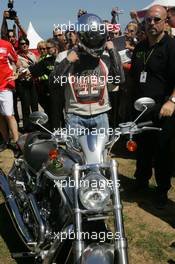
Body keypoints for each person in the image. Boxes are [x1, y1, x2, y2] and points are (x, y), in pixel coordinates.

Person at [50, 13, 125, 142]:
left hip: (101, 113)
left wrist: (113, 51)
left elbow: (119, 79)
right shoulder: (64, 56)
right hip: (75, 115)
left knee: (100, 157)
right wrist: (68, 60)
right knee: (75, 156)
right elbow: (53, 83)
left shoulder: (106, 57)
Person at [129, 5, 175, 208]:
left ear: (166, 22)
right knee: (143, 149)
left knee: (163, 151)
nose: (152, 24)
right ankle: (141, 181)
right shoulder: (140, 47)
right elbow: (134, 76)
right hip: (140, 109)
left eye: (157, 20)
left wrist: (172, 101)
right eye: (148, 20)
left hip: (164, 108)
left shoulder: (172, 47)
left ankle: (162, 190)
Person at [0, 38, 21, 152]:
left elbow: (18, 61)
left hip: (5, 86)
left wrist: (17, 74)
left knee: (9, 115)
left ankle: (17, 142)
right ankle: (6, 141)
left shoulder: (6, 45)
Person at [17, 37, 38, 132]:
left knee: (35, 106)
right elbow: (17, 71)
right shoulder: (17, 56)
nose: (24, 45)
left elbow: (37, 67)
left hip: (32, 83)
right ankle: (27, 128)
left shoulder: (33, 55)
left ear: (28, 45)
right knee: (25, 107)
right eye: (21, 43)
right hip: (23, 83)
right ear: (19, 45)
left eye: (25, 43)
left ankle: (37, 126)